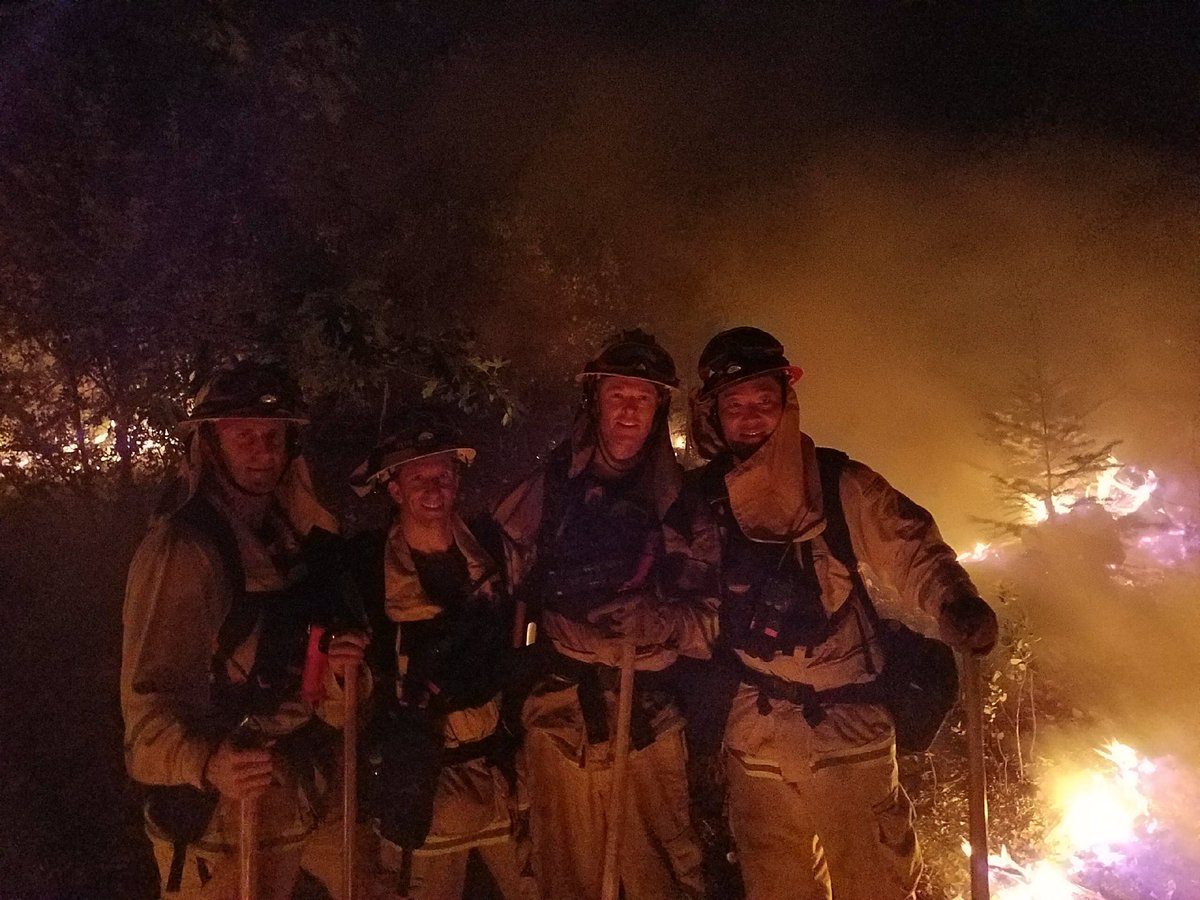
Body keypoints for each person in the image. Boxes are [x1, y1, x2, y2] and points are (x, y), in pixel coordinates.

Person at [682, 327, 998, 900]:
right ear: (715, 415)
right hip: (754, 734)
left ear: (786, 404)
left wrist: (955, 602)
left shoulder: (837, 483)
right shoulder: (701, 501)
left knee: (875, 885)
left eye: (763, 402)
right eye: (735, 406)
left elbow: (911, 548)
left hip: (848, 725)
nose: (751, 419)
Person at [121, 361, 369, 900]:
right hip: (224, 807)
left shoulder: (294, 538)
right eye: (243, 436)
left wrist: (342, 676)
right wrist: (208, 764)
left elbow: (315, 682)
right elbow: (145, 713)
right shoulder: (183, 552)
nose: (262, 451)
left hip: (302, 781)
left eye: (274, 436)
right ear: (210, 446)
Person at [493, 329, 718, 900]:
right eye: (618, 394)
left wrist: (661, 621)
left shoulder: (686, 507)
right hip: (558, 717)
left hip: (647, 720)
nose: (628, 410)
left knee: (660, 881)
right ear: (594, 400)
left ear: (660, 408)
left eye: (643, 398)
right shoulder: (545, 493)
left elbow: (717, 622)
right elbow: (493, 583)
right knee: (563, 880)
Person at [348, 418, 534, 900]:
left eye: (444, 476)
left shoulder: (495, 554)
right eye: (419, 479)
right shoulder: (367, 572)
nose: (435, 488)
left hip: (502, 783)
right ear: (393, 489)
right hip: (421, 788)